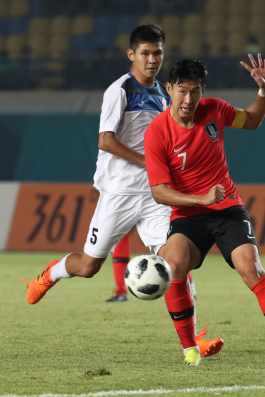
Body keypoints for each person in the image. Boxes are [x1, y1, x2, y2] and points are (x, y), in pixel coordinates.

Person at [19, 24, 223, 357]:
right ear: (132, 55)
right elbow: (106, 140)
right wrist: (149, 161)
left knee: (175, 262)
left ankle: (193, 338)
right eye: (145, 53)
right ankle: (50, 274)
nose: (152, 59)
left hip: (156, 194)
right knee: (87, 267)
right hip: (119, 193)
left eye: (157, 53)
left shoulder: (164, 92)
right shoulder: (120, 90)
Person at [143, 57, 265, 367]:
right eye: (181, 91)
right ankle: (190, 349)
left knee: (251, 269)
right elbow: (159, 192)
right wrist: (200, 199)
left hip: (227, 207)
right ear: (169, 89)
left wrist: (264, 92)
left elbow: (254, 121)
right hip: (189, 214)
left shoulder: (215, 109)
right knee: (173, 264)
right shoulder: (156, 132)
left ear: (203, 90)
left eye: (195, 91)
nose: (188, 100)